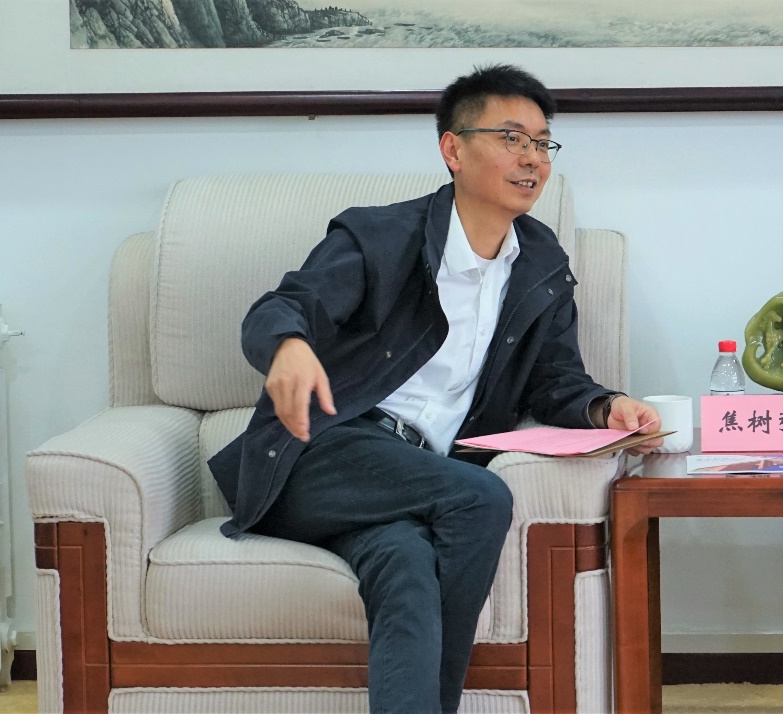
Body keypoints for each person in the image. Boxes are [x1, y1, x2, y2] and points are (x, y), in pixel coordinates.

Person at [208, 63, 662, 714]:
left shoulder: (541, 263)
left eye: (542, 143)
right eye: (511, 138)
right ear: (453, 149)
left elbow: (555, 378)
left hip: (417, 477)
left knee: (405, 568)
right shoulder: (378, 237)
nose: (532, 158)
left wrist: (606, 407)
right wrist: (288, 347)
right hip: (322, 453)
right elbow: (285, 306)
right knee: (480, 496)